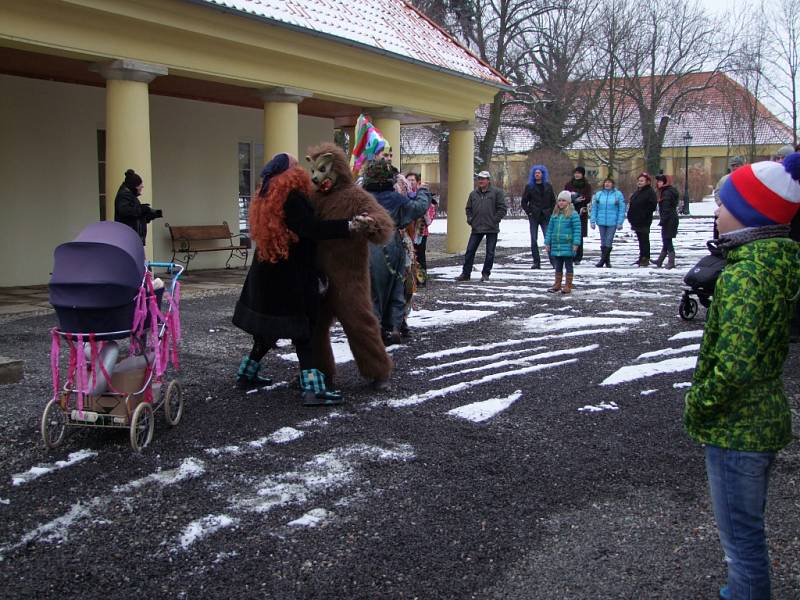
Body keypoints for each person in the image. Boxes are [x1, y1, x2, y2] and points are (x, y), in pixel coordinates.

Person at [684, 153, 800, 600]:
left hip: (738, 429)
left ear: (751, 212)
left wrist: (700, 401)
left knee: (743, 546)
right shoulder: (780, 262)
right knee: (748, 533)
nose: (716, 211)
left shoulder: (744, 276)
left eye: (722, 203)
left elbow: (735, 364)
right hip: (765, 418)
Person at [232, 153, 373, 406]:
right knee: (304, 331)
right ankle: (313, 389)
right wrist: (348, 226)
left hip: (268, 272)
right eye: (296, 166)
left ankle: (247, 373)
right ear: (289, 174)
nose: (302, 171)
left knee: (268, 331)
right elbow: (311, 229)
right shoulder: (292, 198)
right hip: (291, 276)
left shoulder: (267, 196)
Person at [365, 160, 430, 346]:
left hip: (369, 244)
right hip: (393, 244)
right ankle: (392, 328)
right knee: (396, 287)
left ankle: (374, 328)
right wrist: (424, 191)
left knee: (373, 290)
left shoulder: (362, 198)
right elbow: (418, 207)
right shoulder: (396, 199)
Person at [454, 171, 508, 282]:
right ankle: (466, 274)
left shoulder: (497, 192)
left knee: (490, 252)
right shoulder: (473, 194)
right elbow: (468, 209)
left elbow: (502, 209)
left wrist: (494, 220)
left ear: (488, 180)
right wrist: (470, 219)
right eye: (479, 179)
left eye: (483, 179)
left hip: (492, 228)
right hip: (477, 227)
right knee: (470, 251)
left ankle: (485, 274)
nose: (480, 181)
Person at [544, 191, 581, 294]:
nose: (561, 203)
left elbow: (577, 230)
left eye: (563, 200)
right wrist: (547, 242)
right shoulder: (555, 214)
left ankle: (568, 285)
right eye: (559, 200)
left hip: (568, 244)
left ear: (568, 202)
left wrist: (575, 243)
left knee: (569, 265)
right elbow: (550, 229)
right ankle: (557, 284)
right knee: (558, 265)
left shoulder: (573, 214)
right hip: (557, 245)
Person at [521, 164, 556, 269]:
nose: (537, 175)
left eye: (539, 173)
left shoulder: (548, 186)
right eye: (535, 173)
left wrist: (550, 212)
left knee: (548, 238)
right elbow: (524, 202)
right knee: (533, 239)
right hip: (534, 216)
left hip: (546, 216)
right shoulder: (529, 187)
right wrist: (529, 212)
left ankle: (553, 261)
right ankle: (536, 262)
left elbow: (553, 201)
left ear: (543, 174)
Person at [114, 169, 162, 245]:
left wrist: (147, 216)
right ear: (134, 186)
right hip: (129, 239)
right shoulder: (124, 195)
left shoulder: (128, 195)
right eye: (140, 185)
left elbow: (133, 216)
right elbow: (125, 212)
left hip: (132, 238)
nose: (142, 186)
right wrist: (142, 209)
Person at [407, 172, 437, 286]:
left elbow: (429, 216)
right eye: (408, 180)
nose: (410, 182)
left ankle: (422, 279)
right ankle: (410, 280)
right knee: (408, 255)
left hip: (420, 231)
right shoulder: (405, 195)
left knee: (420, 255)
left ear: (417, 182)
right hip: (407, 231)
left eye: (412, 180)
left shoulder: (423, 195)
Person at [589, 177, 626, 268]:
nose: (607, 184)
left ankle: (603, 260)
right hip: (601, 221)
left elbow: (621, 209)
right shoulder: (599, 195)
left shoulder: (618, 195)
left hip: (612, 221)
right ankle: (606, 260)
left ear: (612, 184)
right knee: (603, 241)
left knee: (609, 240)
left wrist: (620, 222)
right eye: (606, 182)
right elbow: (594, 208)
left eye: (609, 182)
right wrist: (592, 220)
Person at [626, 172, 658, 267]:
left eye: (642, 181)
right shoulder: (638, 191)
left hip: (644, 220)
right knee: (640, 239)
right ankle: (641, 257)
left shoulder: (650, 192)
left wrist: (643, 216)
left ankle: (645, 258)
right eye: (639, 181)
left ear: (647, 182)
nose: (639, 182)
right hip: (636, 220)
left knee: (644, 239)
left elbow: (651, 206)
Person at [563, 166, 592, 263]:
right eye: (576, 173)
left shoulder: (586, 185)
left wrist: (581, 198)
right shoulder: (568, 184)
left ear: (582, 174)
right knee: (569, 234)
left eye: (579, 173)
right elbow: (564, 196)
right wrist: (573, 199)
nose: (577, 174)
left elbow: (588, 197)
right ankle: (570, 255)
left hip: (581, 211)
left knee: (578, 234)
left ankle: (578, 257)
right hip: (569, 210)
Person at [652, 174, 679, 269]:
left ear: (665, 182)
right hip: (670, 218)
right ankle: (660, 260)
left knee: (667, 240)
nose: (658, 183)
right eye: (658, 181)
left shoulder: (666, 193)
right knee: (666, 240)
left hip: (669, 219)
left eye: (660, 181)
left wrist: (663, 220)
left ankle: (671, 262)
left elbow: (666, 208)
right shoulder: (667, 191)